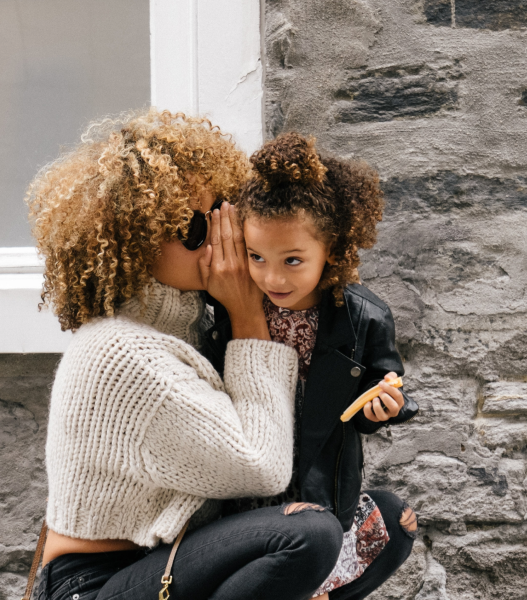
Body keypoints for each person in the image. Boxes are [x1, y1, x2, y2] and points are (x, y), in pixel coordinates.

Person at [24, 110, 344, 600]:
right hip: (94, 584)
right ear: (136, 239)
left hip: (165, 565)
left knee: (383, 521)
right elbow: (262, 464)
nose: (221, 238)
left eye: (224, 215)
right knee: (307, 536)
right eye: (195, 227)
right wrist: (247, 312)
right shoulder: (123, 353)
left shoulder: (188, 332)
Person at [205, 132, 420, 600]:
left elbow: (381, 384)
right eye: (256, 257)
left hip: (319, 484)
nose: (272, 277)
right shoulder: (229, 305)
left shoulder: (364, 317)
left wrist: (384, 406)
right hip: (245, 482)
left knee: (392, 525)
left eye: (293, 260)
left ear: (333, 251)